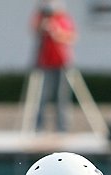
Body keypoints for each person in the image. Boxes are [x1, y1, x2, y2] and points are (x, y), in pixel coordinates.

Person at [31, 0, 76, 132]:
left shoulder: (63, 19)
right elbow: (34, 30)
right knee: (41, 96)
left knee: (62, 97)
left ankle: (62, 128)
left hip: (62, 63)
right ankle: (38, 127)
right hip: (44, 63)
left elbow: (71, 37)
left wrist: (56, 31)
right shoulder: (41, 18)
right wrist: (42, 26)